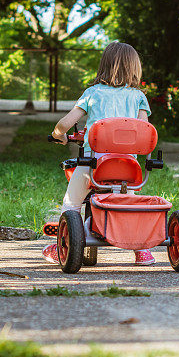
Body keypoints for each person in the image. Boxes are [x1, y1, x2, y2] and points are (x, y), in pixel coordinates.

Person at [43, 41, 155, 265]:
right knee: (129, 206)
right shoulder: (138, 97)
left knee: (71, 202)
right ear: (134, 68)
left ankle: (60, 246)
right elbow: (144, 131)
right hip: (126, 167)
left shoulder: (92, 93)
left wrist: (59, 135)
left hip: (93, 164)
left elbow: (65, 124)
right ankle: (142, 251)